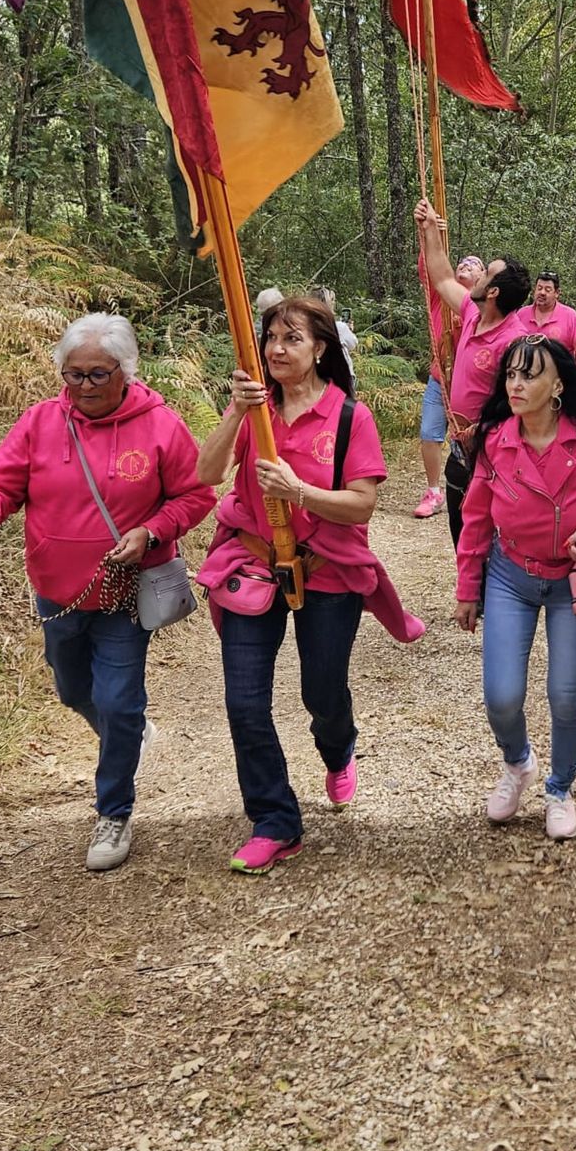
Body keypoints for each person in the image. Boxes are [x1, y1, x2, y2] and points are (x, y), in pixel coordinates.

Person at [0, 314, 216, 872]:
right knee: (76, 692)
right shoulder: (39, 422)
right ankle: (126, 733)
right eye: (73, 375)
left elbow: (197, 496)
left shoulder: (160, 426)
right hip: (57, 592)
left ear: (125, 371)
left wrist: (150, 531)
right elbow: (1, 486)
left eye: (97, 375)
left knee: (118, 699)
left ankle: (114, 811)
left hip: (124, 595)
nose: (83, 387)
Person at [195, 298, 424, 874]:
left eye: (291, 338)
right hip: (251, 564)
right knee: (244, 700)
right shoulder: (254, 412)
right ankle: (274, 821)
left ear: (320, 348)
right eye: (271, 337)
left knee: (322, 693)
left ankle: (337, 747)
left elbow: (361, 504)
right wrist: (234, 413)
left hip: (327, 571)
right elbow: (205, 475)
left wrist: (299, 493)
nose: (276, 349)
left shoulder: (350, 418)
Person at [456, 335, 576, 840]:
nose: (516, 385)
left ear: (558, 384)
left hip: (573, 582)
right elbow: (475, 515)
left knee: (565, 696)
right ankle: (518, 764)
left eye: (530, 375)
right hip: (508, 576)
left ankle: (560, 787)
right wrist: (467, 584)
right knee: (501, 696)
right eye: (511, 375)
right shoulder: (496, 438)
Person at [415, 199, 532, 547]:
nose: (477, 276)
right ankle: (471, 597)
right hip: (463, 453)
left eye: (486, 273)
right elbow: (441, 276)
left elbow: (524, 406)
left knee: (492, 539)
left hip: (496, 459)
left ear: (492, 291)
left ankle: (489, 599)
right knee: (462, 534)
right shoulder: (471, 312)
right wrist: (431, 229)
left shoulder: (515, 342)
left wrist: (483, 428)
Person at [413, 252, 483, 520]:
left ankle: (474, 488)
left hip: (465, 384)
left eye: (474, 264)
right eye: (462, 262)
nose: (465, 264)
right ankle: (433, 491)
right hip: (439, 379)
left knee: (471, 438)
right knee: (429, 434)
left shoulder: (480, 306)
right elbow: (427, 270)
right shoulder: (439, 298)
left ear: (482, 278)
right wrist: (428, 231)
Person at [528, 270, 576, 374]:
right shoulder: (521, 315)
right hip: (526, 383)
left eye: (547, 290)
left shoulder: (570, 316)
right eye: (539, 288)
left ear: (557, 293)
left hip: (560, 384)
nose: (542, 292)